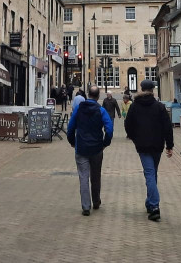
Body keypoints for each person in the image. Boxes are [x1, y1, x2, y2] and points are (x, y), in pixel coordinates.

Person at [124, 79, 174, 222]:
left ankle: (153, 206)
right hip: (157, 145)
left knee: (150, 173)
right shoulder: (159, 107)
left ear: (141, 89)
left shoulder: (135, 106)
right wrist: (169, 145)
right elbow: (167, 127)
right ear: (152, 90)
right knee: (152, 173)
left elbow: (128, 125)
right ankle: (151, 202)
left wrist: (135, 138)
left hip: (143, 146)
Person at [67, 86, 113, 215]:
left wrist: (72, 142)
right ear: (98, 96)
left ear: (88, 95)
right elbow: (109, 129)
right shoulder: (101, 110)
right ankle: (96, 201)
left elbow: (70, 127)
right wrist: (105, 143)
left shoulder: (78, 109)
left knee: (83, 176)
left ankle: (86, 206)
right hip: (97, 148)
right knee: (95, 176)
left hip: (81, 147)